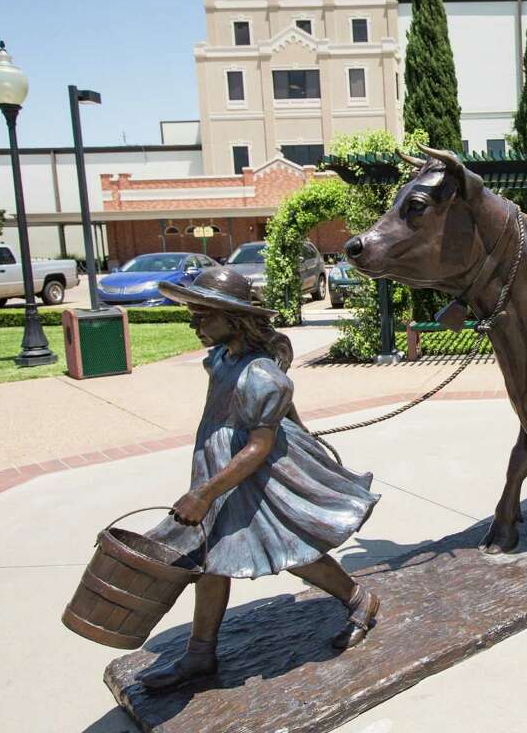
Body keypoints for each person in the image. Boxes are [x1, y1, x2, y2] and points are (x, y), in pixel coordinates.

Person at [137, 267, 381, 691]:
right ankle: (200, 654)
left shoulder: (261, 375)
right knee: (211, 558)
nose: (194, 323)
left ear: (234, 319)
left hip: (256, 476)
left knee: (296, 549)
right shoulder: (221, 359)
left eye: (202, 315)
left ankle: (360, 600)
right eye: (193, 314)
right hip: (222, 469)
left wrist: (204, 494)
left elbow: (259, 446)